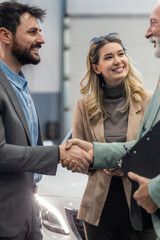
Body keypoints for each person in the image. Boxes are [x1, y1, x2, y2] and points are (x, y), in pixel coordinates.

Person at [64, 2, 160, 239]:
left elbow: (149, 152)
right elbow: (80, 155)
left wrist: (123, 166)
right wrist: (99, 164)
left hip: (140, 201)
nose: (118, 61)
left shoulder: (149, 100)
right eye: (109, 57)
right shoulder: (84, 107)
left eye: (121, 54)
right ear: (96, 67)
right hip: (99, 205)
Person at [0, 2, 93, 240]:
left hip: (30, 212)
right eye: (33, 32)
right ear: (5, 35)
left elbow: (30, 150)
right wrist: (58, 154)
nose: (41, 39)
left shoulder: (19, 84)